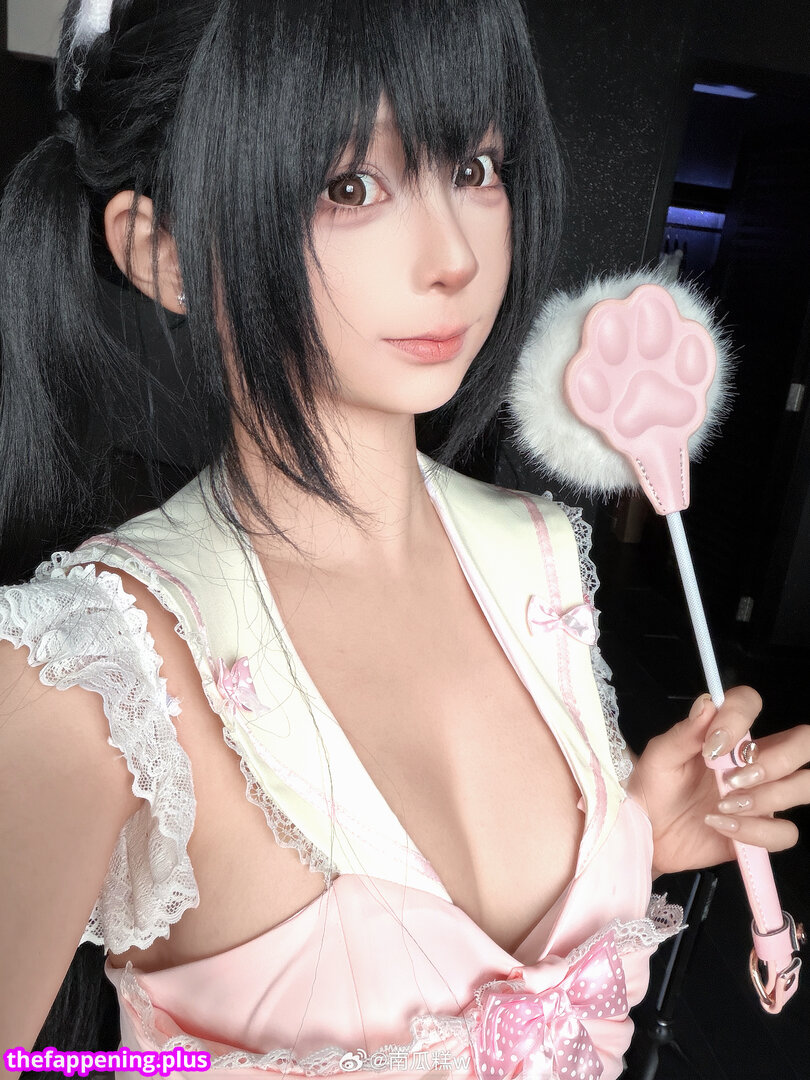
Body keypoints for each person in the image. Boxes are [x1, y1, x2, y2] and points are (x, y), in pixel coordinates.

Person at [1, 2, 807, 1078]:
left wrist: (638, 834)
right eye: (350, 186)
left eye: (474, 167)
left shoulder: (538, 553)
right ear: (166, 254)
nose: (454, 255)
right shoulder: (91, 671)